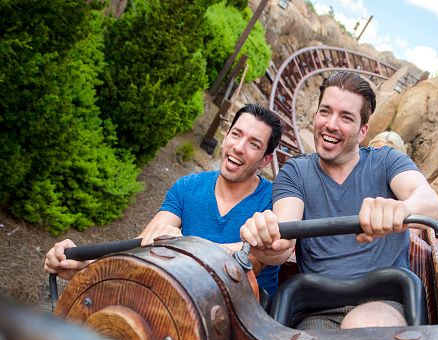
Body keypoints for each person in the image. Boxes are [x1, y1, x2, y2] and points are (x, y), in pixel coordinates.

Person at [240, 71, 438, 329]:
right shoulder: (295, 172)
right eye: (325, 112)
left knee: (363, 324)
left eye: (346, 117)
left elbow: (430, 202)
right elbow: (284, 236)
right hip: (317, 310)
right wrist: (267, 238)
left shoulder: (386, 161)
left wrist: (401, 210)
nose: (331, 125)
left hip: (382, 301)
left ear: (362, 131)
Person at [44, 103, 283, 297]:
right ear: (226, 136)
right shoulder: (188, 187)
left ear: (265, 160)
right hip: (179, 294)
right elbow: (141, 244)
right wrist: (82, 264)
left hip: (242, 310)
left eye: (254, 144)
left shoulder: (273, 200)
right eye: (236, 134)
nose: (238, 147)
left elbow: (248, 262)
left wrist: (182, 245)